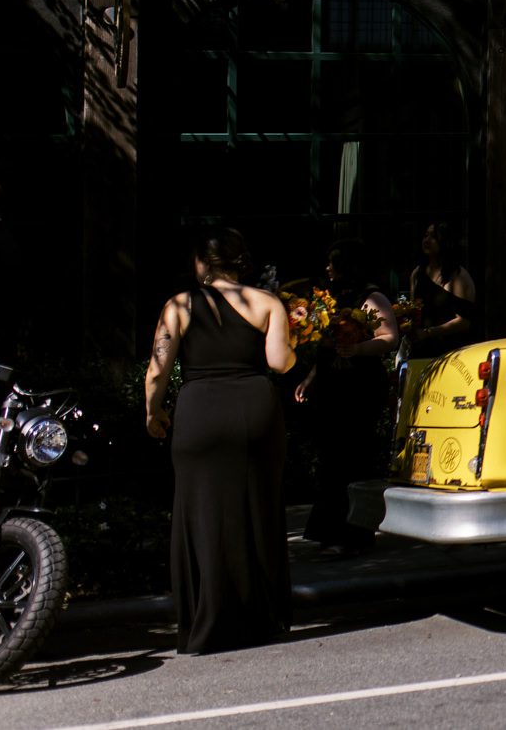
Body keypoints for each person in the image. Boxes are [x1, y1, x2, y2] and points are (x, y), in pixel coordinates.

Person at [144, 227, 295, 655]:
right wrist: (300, 349)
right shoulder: (267, 303)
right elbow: (279, 363)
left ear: (201, 264)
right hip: (255, 411)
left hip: (200, 414)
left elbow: (157, 368)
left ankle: (206, 623)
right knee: (257, 509)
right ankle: (260, 617)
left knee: (201, 514)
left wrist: (152, 411)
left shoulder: (178, 305)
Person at [295, 240, 399, 553]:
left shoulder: (371, 297)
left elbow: (390, 338)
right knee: (332, 458)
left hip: (358, 385)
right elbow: (322, 344)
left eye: (333, 263)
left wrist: (358, 349)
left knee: (354, 458)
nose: (328, 270)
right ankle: (330, 530)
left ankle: (356, 533)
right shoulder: (328, 300)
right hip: (332, 385)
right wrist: (310, 379)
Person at [404, 221, 480, 359]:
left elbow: (464, 322)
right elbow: (414, 309)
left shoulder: (458, 276)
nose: (427, 240)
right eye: (425, 235)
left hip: (451, 352)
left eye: (433, 237)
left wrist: (429, 332)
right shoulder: (417, 274)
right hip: (421, 350)